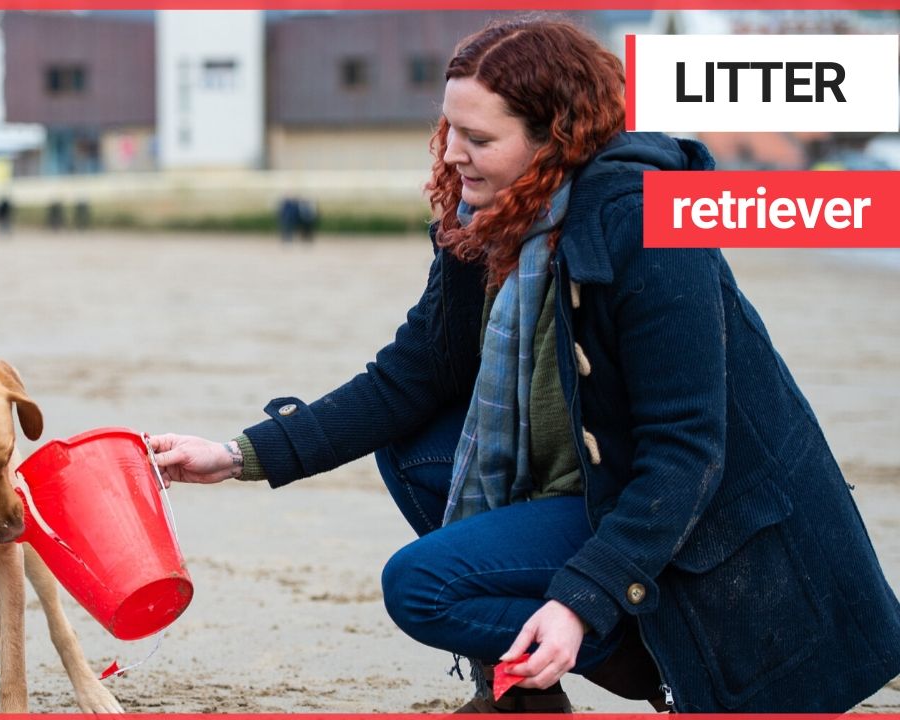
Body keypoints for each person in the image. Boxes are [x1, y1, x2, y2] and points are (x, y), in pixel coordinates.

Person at [150, 18, 900, 713]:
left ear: (557, 138)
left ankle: (644, 652)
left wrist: (581, 600)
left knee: (423, 586)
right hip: (585, 477)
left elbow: (687, 455)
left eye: (476, 136)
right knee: (413, 446)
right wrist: (236, 454)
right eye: (448, 128)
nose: (449, 152)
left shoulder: (649, 224)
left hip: (689, 519)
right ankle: (527, 697)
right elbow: (411, 376)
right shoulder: (488, 218)